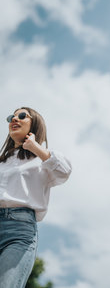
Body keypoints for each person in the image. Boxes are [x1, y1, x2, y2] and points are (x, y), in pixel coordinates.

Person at [0, 107, 72, 288]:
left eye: (22, 115)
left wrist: (34, 147)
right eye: (12, 117)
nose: (15, 119)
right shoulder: (2, 161)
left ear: (35, 123)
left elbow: (63, 172)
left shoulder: (42, 159)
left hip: (19, 230)